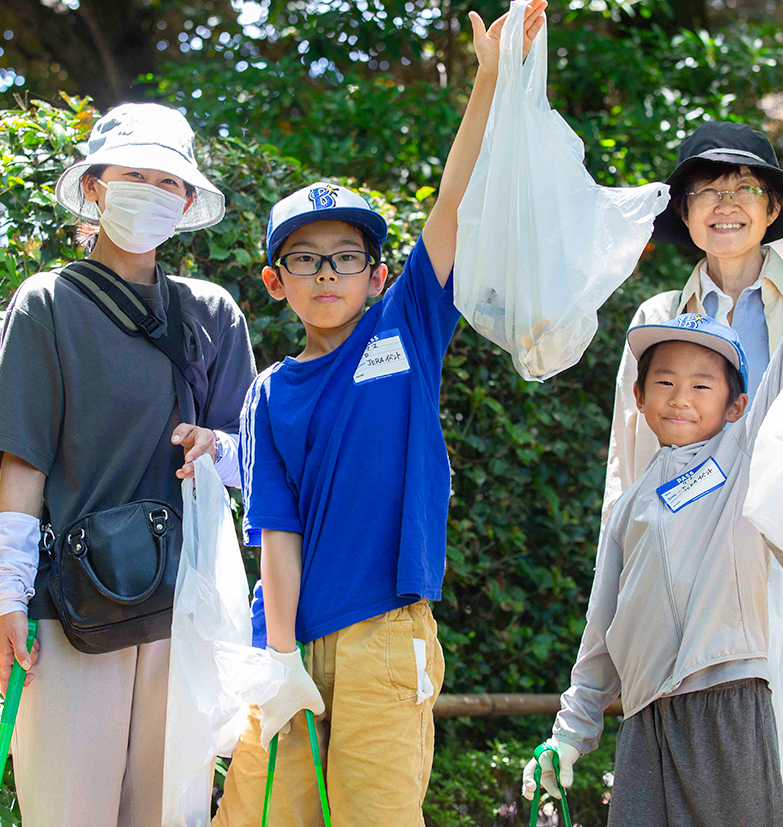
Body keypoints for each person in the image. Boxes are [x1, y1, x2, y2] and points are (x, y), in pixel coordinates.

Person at [210, 4, 547, 825]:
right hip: (284, 647)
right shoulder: (266, 393)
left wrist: (492, 78)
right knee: (252, 814)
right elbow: (275, 531)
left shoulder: (406, 330)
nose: (327, 273)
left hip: (385, 639)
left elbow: (455, 204)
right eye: (304, 259)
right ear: (274, 281)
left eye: (346, 258)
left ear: (377, 273)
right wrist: (281, 655)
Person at [521, 195, 783, 825]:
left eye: (702, 384)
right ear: (640, 402)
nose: (680, 397)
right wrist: (571, 733)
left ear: (735, 405)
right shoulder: (631, 508)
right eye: (664, 383)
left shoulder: (745, 459)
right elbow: (604, 625)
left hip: (732, 700)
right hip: (647, 714)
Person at [0, 102, 257, 827]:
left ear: (188, 201)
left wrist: (216, 448)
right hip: (71, 612)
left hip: (181, 614)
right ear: (95, 184)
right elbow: (23, 460)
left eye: (169, 181)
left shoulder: (213, 315)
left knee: (169, 816)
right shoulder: (48, 306)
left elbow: (256, 461)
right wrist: (7, 593)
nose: (152, 191)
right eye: (135, 174)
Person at [601, 121, 783, 520]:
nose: (726, 205)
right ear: (684, 211)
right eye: (706, 191)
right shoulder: (658, 318)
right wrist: (620, 558)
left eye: (746, 189)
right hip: (680, 543)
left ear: (773, 208)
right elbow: (626, 453)